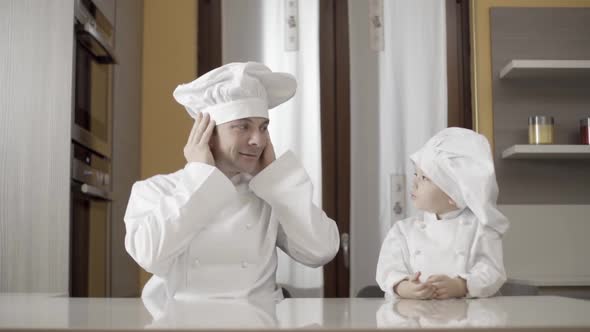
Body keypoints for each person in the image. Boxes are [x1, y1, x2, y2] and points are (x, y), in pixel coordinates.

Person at [124, 62, 340, 301]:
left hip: (261, 321)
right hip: (183, 322)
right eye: (242, 127)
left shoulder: (269, 194)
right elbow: (149, 256)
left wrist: (278, 181)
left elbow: (321, 251)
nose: (258, 140)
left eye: (263, 127)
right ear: (207, 133)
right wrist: (199, 176)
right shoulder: (156, 190)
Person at [376, 127, 509, 299]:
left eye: (424, 178)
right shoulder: (403, 231)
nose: (414, 182)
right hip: (413, 318)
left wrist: (461, 285)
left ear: (453, 195)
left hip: (469, 319)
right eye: (416, 173)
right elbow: (388, 269)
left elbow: (492, 272)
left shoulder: (481, 229)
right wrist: (403, 286)